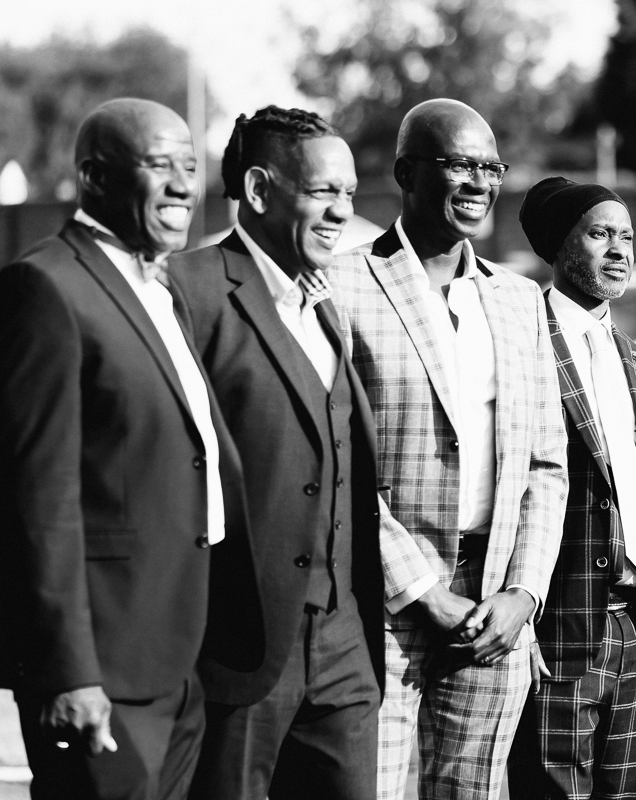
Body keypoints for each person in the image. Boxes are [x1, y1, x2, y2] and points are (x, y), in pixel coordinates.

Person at [0, 98, 253, 800]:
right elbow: (37, 501)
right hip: (103, 670)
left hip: (183, 657)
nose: (183, 185)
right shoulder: (43, 289)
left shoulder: (162, 288)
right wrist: (68, 672)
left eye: (190, 166)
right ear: (94, 176)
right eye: (159, 165)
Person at [328, 98, 568, 800]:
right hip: (382, 605)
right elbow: (336, 463)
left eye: (491, 167)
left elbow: (546, 463)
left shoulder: (519, 298)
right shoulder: (342, 285)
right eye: (460, 164)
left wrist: (523, 592)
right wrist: (422, 592)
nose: (480, 183)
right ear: (407, 173)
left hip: (496, 606)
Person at [168, 107, 383, 800]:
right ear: (259, 190)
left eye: (349, 194)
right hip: (236, 650)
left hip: (345, 644)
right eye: (324, 192)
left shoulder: (326, 302)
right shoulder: (187, 290)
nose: (341, 211)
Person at [506, 177, 636, 800]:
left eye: (627, 237)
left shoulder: (632, 355)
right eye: (599, 234)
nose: (619, 251)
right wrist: (519, 618)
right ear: (559, 246)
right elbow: (507, 489)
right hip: (556, 629)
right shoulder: (522, 341)